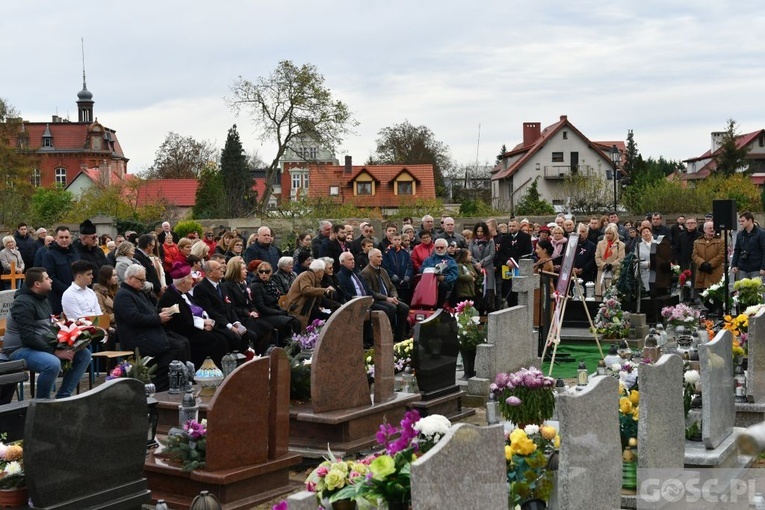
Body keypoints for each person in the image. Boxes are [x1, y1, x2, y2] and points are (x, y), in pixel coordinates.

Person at [2, 268, 92, 399]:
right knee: (52, 364)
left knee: (84, 354)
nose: (50, 280)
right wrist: (55, 352)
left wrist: (71, 333)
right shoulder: (22, 303)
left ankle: (63, 397)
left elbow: (49, 326)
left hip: (38, 346)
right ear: (37, 284)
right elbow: (28, 337)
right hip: (18, 350)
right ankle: (42, 405)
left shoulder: (43, 299)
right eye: (46, 278)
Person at [114, 264, 189, 392]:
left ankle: (179, 381)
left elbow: (149, 311)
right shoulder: (123, 295)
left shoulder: (138, 292)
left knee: (184, 341)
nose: (143, 283)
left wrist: (161, 311)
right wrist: (158, 318)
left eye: (144, 280)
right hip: (138, 337)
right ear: (130, 278)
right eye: (140, 280)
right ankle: (162, 386)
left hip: (150, 332)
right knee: (176, 348)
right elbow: (134, 318)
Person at [157, 262, 229, 369]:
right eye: (191, 278)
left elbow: (199, 308)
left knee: (223, 337)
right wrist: (203, 323)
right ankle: (207, 371)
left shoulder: (185, 293)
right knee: (213, 341)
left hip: (196, 326)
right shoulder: (169, 297)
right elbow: (181, 321)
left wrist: (207, 320)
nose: (193, 281)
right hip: (185, 331)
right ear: (183, 282)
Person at [247, 260, 301, 345]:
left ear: (270, 272)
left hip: (273, 312)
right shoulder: (256, 285)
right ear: (258, 272)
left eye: (266, 271)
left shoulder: (271, 284)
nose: (264, 274)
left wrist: (282, 311)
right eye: (261, 271)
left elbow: (275, 302)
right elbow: (261, 307)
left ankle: (293, 346)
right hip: (264, 315)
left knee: (296, 320)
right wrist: (280, 312)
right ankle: (290, 347)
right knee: (292, 322)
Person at [361, 249, 409, 343]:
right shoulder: (366, 272)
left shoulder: (383, 271)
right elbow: (370, 292)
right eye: (378, 257)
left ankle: (399, 336)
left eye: (381, 256)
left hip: (388, 298)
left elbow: (391, 286)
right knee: (391, 308)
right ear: (371, 258)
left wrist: (394, 296)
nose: (381, 259)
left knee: (404, 307)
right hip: (376, 300)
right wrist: (387, 298)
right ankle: (386, 334)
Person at [283, 259, 333, 331]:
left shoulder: (313, 277)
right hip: (297, 309)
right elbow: (306, 290)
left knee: (325, 316)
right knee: (326, 318)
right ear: (320, 271)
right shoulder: (306, 275)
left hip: (306, 308)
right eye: (323, 271)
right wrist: (324, 290)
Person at [493, 219, 533, 307]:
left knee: (520, 290)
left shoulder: (526, 237)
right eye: (510, 226)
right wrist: (507, 261)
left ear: (518, 226)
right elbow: (500, 253)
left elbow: (527, 252)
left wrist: (515, 261)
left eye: (513, 226)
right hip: (508, 268)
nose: (511, 228)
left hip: (520, 267)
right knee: (509, 290)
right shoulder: (504, 238)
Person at [42, 226, 81, 315]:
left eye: (66, 237)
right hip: (58, 299)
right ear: (56, 238)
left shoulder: (75, 254)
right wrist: (69, 290)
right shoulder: (49, 255)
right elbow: (51, 277)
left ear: (70, 238)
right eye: (61, 237)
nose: (64, 240)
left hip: (77, 297)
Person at [420, 238, 459, 308]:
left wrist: (444, 278)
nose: (439, 249)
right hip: (429, 283)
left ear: (446, 248)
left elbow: (454, 275)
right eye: (437, 247)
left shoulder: (451, 261)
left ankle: (440, 306)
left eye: (441, 247)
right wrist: (431, 270)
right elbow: (421, 269)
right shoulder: (429, 260)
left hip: (444, 284)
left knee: (444, 285)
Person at [469, 221, 495, 314]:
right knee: (478, 290)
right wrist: (476, 264)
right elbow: (470, 254)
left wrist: (482, 263)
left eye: (482, 232)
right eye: (478, 231)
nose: (479, 234)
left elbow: (492, 254)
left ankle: (489, 310)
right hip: (476, 269)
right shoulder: (472, 242)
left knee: (488, 290)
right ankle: (478, 311)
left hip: (488, 269)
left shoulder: (490, 241)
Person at [692, 221, 725, 293]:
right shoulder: (697, 242)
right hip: (702, 273)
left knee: (716, 295)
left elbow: (722, 255)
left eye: (713, 228)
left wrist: (710, 264)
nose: (712, 229)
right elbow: (694, 255)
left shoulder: (721, 241)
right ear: (704, 230)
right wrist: (702, 263)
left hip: (715, 272)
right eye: (710, 228)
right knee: (703, 296)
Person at [732, 211, 765, 280]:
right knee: (743, 290)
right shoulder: (740, 235)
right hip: (743, 268)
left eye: (743, 221)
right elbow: (737, 250)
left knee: (756, 290)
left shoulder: (761, 233)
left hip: (756, 268)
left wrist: (763, 267)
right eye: (740, 221)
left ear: (750, 220)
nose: (740, 223)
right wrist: (734, 265)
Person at [595, 224, 626, 297]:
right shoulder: (600, 244)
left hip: (615, 272)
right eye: (606, 233)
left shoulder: (621, 245)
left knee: (614, 295)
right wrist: (604, 265)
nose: (608, 235)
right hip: (602, 272)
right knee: (601, 295)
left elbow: (621, 258)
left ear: (614, 234)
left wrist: (611, 265)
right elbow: (597, 257)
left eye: (610, 233)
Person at [382, 233, 413, 305]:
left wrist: (407, 276)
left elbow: (409, 266)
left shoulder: (405, 252)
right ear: (391, 240)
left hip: (404, 282)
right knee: (395, 301)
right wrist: (393, 277)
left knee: (404, 301)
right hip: (393, 283)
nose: (397, 241)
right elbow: (385, 267)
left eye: (399, 240)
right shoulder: (387, 252)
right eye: (395, 240)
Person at [133, 234, 164, 301]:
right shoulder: (138, 257)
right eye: (153, 246)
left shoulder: (144, 256)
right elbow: (147, 275)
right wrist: (157, 288)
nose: (153, 248)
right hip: (148, 293)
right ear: (148, 245)